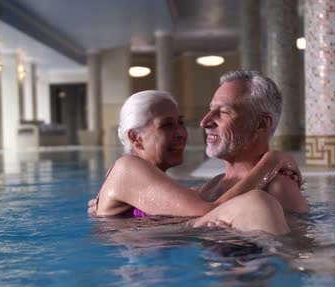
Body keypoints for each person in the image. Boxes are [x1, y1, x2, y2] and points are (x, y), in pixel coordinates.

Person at [88, 90, 299, 235]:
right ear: (135, 137)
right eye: (167, 125)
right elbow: (207, 210)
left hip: (164, 272)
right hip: (146, 283)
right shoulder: (128, 167)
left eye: (180, 122)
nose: (181, 133)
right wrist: (272, 161)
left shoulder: (134, 174)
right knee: (257, 203)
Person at [197, 70, 309, 213]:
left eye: (224, 112)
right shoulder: (213, 185)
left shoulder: (279, 188)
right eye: (211, 109)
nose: (204, 122)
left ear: (261, 124)